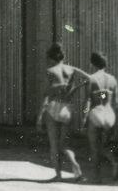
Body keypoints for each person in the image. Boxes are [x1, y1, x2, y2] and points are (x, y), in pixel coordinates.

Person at [36, 42, 89, 182]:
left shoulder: (50, 71)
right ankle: (75, 165)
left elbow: (46, 95)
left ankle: (58, 175)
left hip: (54, 106)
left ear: (51, 58)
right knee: (65, 144)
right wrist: (76, 88)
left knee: (54, 146)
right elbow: (89, 78)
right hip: (67, 108)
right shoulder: (71, 69)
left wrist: (40, 116)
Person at [85, 51, 118, 183]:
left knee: (94, 147)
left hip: (97, 113)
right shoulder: (113, 79)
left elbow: (88, 100)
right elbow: (116, 102)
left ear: (92, 64)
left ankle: (96, 177)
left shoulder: (92, 79)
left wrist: (84, 117)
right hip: (109, 114)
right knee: (104, 145)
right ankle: (114, 162)